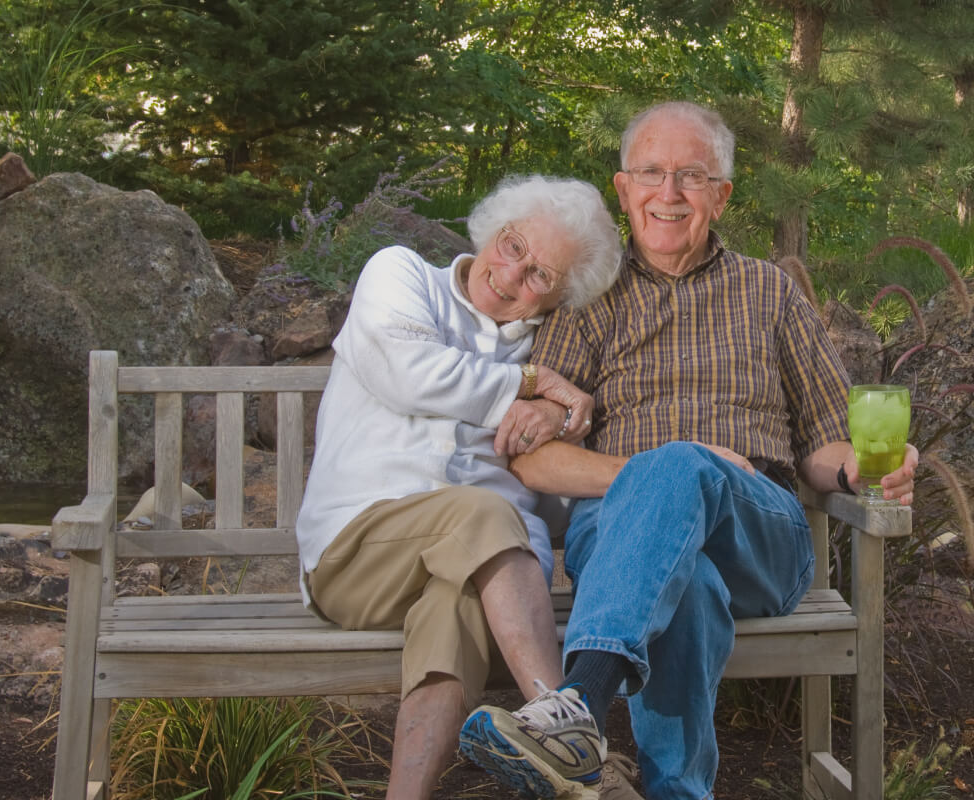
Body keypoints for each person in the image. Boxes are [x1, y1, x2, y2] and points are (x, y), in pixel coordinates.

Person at [458, 101, 920, 800]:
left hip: (758, 534)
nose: (668, 194)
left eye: (691, 176)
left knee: (680, 471)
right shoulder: (590, 301)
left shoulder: (770, 293)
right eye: (650, 173)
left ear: (721, 195)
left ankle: (578, 703)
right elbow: (532, 458)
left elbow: (827, 441)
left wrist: (860, 467)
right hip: (621, 536)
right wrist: (660, 474)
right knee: (688, 580)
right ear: (622, 189)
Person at [295, 174, 624, 800]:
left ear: (558, 300)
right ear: (491, 229)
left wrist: (559, 423)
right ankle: (566, 723)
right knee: (482, 512)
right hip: (356, 554)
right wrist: (530, 387)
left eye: (540, 277)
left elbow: (551, 510)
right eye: (513, 245)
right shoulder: (403, 276)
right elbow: (409, 371)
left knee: (457, 608)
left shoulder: (543, 351)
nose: (511, 274)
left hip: (463, 570)